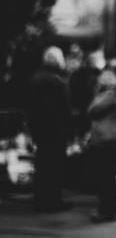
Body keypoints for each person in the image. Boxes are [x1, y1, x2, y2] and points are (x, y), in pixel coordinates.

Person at [27, 46, 72, 212]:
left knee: (42, 163)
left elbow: (30, 106)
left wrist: (32, 127)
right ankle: (54, 200)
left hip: (40, 128)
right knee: (55, 165)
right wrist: (69, 129)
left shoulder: (35, 79)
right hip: (57, 129)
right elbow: (65, 108)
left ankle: (40, 198)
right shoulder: (59, 81)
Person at [87, 69, 116, 223]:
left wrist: (97, 95)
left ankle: (107, 211)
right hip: (111, 137)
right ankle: (108, 208)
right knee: (108, 176)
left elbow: (92, 110)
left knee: (105, 177)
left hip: (105, 138)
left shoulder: (111, 95)